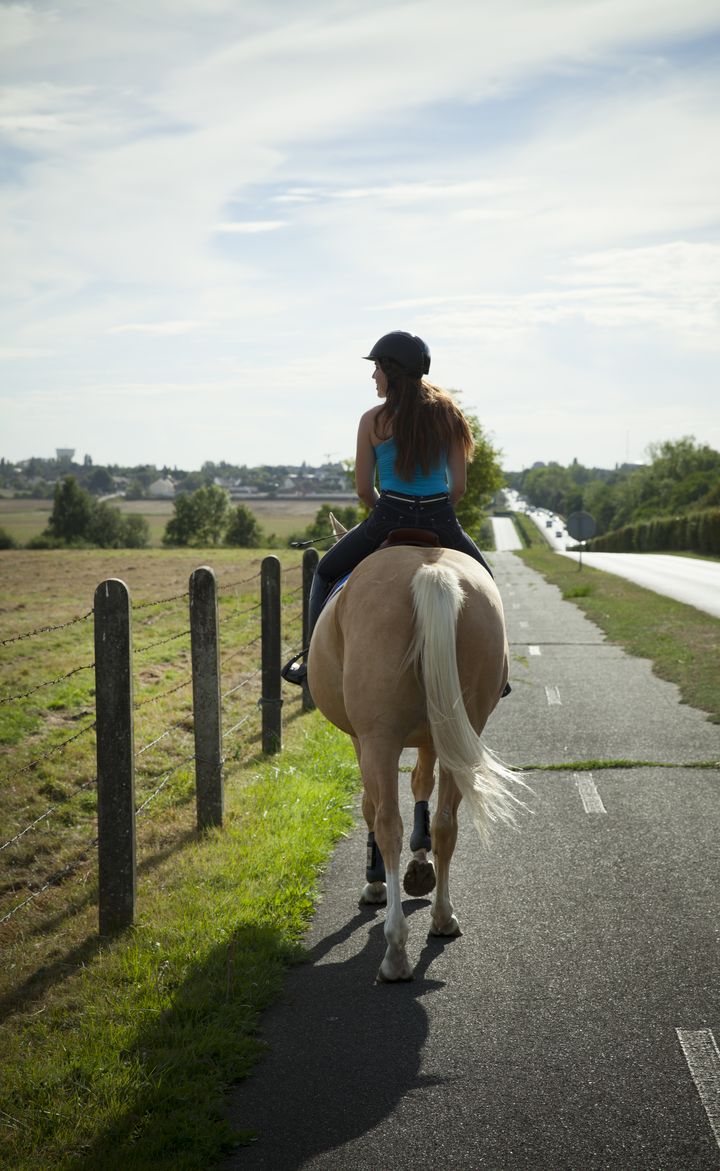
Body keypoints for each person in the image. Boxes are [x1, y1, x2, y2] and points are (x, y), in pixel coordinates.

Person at [282, 330, 495, 685]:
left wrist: (388, 512)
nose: (373, 376)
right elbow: (458, 487)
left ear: (391, 371)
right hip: (440, 517)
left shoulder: (372, 421)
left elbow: (365, 489)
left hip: (388, 516)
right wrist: (436, 510)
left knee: (325, 572)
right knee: (486, 582)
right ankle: (496, 669)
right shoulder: (450, 417)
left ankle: (309, 661)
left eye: (377, 367)